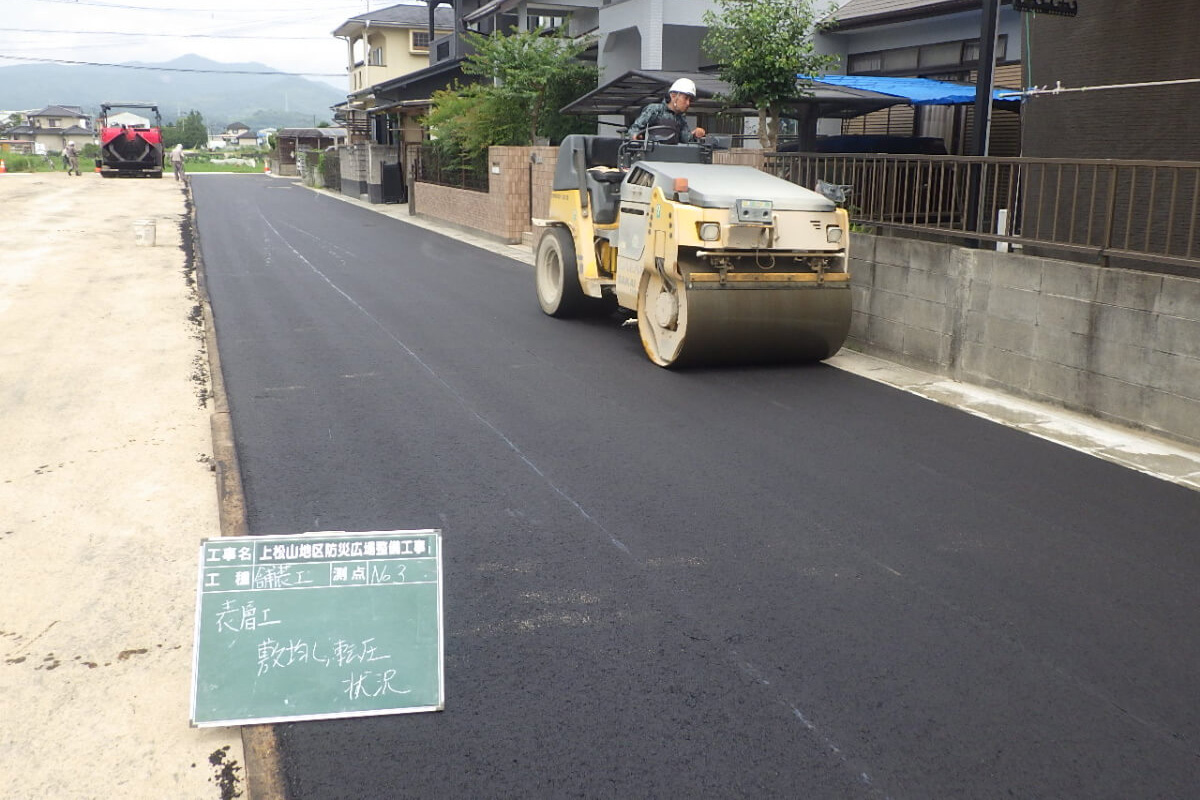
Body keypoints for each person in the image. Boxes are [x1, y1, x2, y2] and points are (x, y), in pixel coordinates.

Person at [628, 78, 707, 143]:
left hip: (673, 155)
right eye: (685, 98)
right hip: (651, 154)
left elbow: (685, 140)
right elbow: (634, 129)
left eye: (690, 100)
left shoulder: (681, 118)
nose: (688, 103)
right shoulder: (655, 110)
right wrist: (636, 136)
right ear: (673, 95)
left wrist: (695, 135)